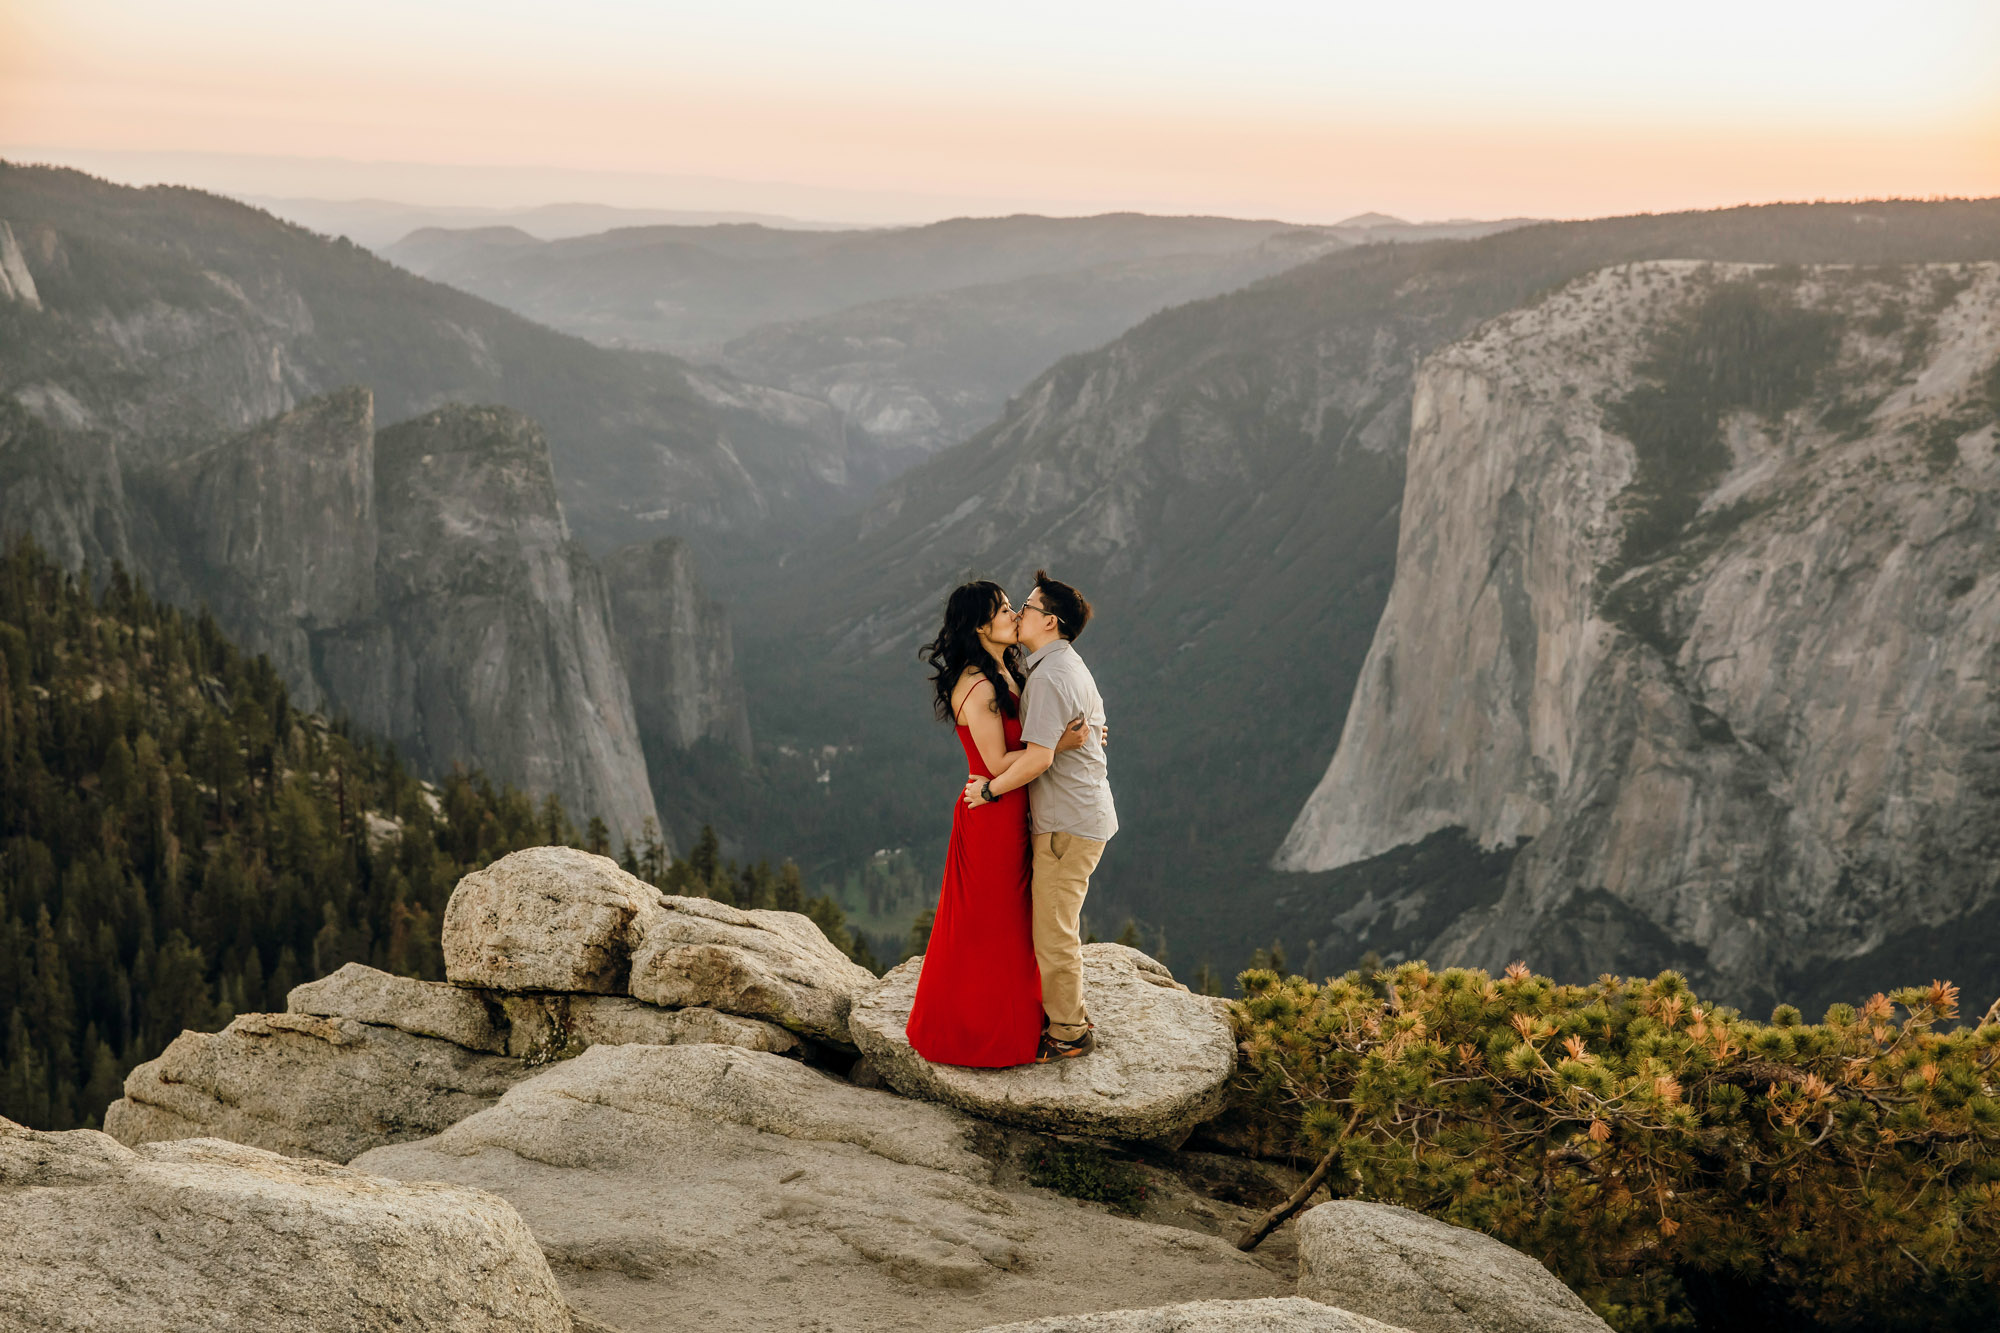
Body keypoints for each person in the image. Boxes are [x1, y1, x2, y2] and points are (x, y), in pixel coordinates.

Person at [905, 581, 1091, 1067]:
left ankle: (1015, 1020)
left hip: (1012, 808)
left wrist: (1066, 736)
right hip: (989, 809)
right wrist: (1059, 747)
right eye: (1005, 609)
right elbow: (995, 760)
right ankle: (977, 1031)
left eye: (1014, 606)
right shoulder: (979, 684)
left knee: (1012, 921)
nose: (1014, 614)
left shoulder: (1006, 668)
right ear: (980, 626)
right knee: (986, 924)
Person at [963, 570, 1115, 1063]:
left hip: (1065, 824)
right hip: (1077, 815)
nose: (1017, 612)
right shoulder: (1059, 664)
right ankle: (1069, 1014)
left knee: (1053, 931)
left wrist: (988, 789)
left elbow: (1039, 757)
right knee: (1055, 925)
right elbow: (1083, 724)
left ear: (1049, 621)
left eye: (1025, 606)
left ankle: (1069, 1032)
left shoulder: (1048, 675)